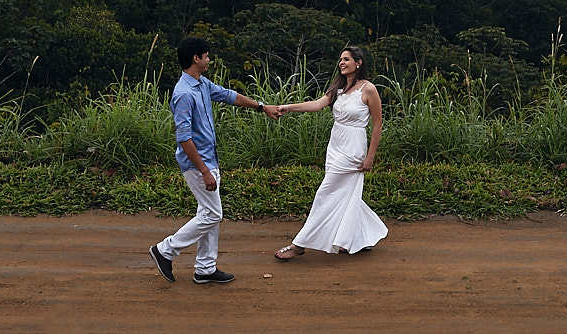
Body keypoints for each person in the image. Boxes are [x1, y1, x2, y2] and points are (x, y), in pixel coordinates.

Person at [150, 36, 281, 284]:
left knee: (207, 212)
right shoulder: (184, 94)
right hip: (198, 164)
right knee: (212, 214)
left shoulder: (201, 84)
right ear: (195, 58)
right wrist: (204, 172)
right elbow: (184, 138)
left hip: (209, 160)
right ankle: (165, 250)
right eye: (206, 55)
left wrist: (262, 107)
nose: (209, 59)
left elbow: (229, 96)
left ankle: (205, 268)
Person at [273, 46, 388, 261]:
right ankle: (361, 237)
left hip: (354, 146)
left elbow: (377, 124)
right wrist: (289, 107)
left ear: (358, 62)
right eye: (340, 59)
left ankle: (299, 244)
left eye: (346, 59)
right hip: (335, 145)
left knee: (325, 193)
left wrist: (370, 157)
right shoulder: (338, 87)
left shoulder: (368, 89)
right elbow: (317, 105)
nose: (341, 63)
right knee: (345, 192)